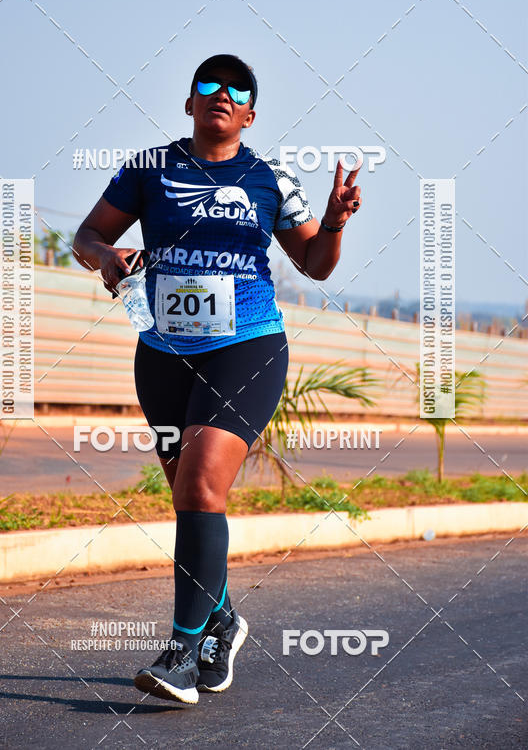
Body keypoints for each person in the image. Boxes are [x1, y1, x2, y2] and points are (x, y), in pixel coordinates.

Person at [73, 53, 362, 705]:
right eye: (208, 84)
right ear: (190, 104)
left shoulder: (269, 177)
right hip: (164, 353)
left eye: (236, 90)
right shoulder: (150, 168)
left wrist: (337, 220)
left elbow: (314, 264)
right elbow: (88, 233)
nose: (220, 94)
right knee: (188, 496)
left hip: (248, 347)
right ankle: (222, 618)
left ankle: (179, 651)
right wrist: (105, 255)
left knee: (202, 481)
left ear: (250, 114)